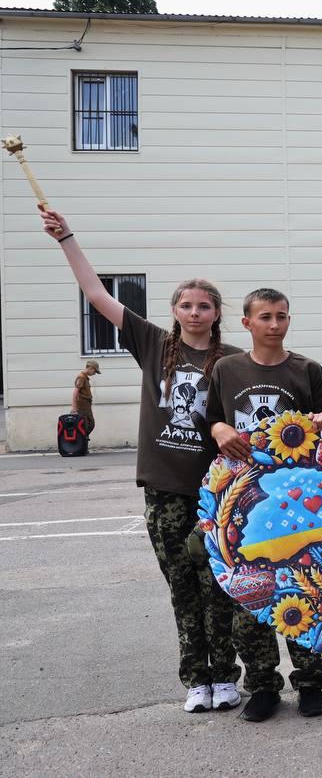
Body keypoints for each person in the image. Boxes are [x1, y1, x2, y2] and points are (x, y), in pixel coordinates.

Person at [39, 204, 242, 714]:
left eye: (204, 306)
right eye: (186, 305)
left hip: (217, 493)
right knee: (182, 589)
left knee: (219, 589)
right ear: (174, 310)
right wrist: (66, 238)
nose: (195, 312)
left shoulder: (231, 361)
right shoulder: (153, 344)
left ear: (217, 313)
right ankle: (196, 680)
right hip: (164, 490)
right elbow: (96, 294)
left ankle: (226, 676)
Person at [205, 288, 322, 722]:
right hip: (242, 504)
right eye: (265, 317)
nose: (274, 324)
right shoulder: (226, 369)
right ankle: (262, 685)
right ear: (247, 323)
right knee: (250, 598)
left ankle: (311, 683)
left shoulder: (307, 370)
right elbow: (210, 419)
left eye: (281, 316)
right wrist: (219, 428)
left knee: (304, 589)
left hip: (296, 504)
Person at [71, 359, 100, 436]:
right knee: (87, 425)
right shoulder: (81, 377)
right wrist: (74, 408)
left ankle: (83, 439)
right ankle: (82, 439)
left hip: (86, 405)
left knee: (89, 424)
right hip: (82, 406)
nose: (94, 373)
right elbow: (75, 393)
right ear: (91, 368)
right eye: (95, 371)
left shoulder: (85, 377)